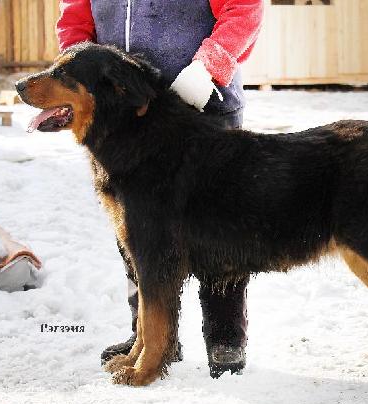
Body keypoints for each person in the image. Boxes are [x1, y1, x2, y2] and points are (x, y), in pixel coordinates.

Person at [56, 0, 264, 378]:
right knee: (137, 234)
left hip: (203, 101)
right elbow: (75, 22)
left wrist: (208, 67)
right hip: (121, 114)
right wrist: (76, 70)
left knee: (219, 232)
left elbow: (243, 9)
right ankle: (152, 336)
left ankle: (226, 337)